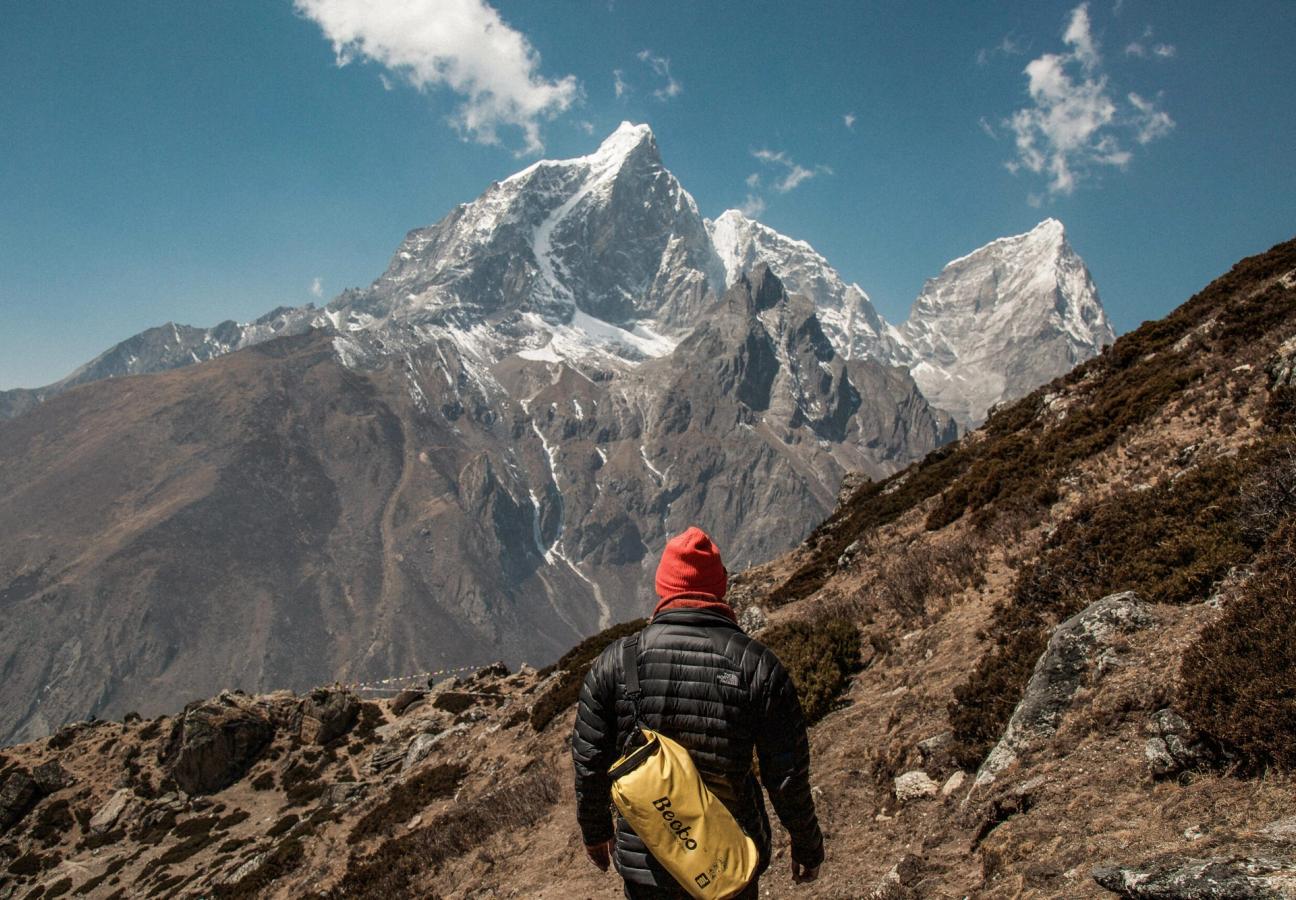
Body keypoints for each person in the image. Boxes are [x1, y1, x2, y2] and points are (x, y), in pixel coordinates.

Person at [572, 526, 824, 898]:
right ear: (719, 587)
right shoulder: (756, 666)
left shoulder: (617, 661)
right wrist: (806, 843)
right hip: (727, 858)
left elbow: (589, 758)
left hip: (649, 858)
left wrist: (596, 832)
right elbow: (786, 773)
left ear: (663, 586)